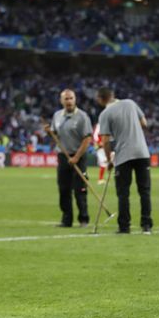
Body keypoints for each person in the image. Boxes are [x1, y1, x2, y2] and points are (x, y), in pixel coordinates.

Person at [96, 87, 153, 235]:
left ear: (100, 99)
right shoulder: (130, 103)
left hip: (123, 156)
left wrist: (109, 160)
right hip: (142, 152)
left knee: (123, 193)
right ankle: (146, 225)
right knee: (145, 191)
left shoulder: (105, 114)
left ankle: (124, 227)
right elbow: (144, 123)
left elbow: (106, 141)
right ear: (113, 95)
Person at [45, 89, 93, 228]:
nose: (69, 101)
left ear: (75, 99)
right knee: (64, 189)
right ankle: (66, 220)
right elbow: (55, 135)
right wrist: (49, 132)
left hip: (79, 156)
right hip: (63, 156)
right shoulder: (57, 116)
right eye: (66, 99)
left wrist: (77, 157)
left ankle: (83, 219)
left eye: (71, 98)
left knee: (80, 189)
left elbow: (87, 139)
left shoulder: (83, 117)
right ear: (61, 101)